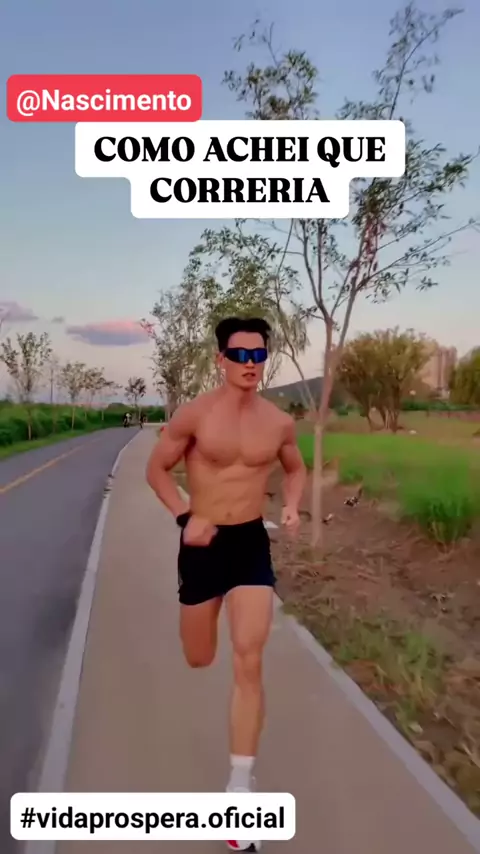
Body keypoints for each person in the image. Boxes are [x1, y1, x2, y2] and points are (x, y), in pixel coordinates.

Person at [146, 316, 306, 852]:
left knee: (249, 658)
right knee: (199, 656)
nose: (250, 364)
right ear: (221, 360)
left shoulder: (278, 422)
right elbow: (157, 470)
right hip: (202, 543)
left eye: (258, 355)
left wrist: (292, 505)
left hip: (249, 544)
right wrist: (184, 516)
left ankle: (239, 788)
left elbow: (295, 469)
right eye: (240, 355)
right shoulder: (195, 415)